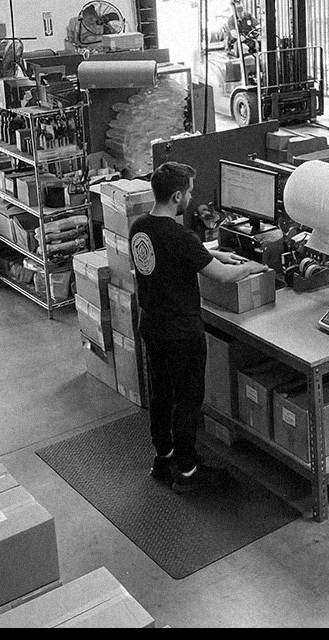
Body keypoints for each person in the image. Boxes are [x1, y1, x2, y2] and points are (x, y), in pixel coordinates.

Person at [127, 161, 268, 492]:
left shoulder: (139, 228)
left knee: (161, 395)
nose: (192, 197)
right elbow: (221, 277)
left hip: (151, 323)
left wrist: (218, 256)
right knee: (188, 400)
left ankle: (164, 459)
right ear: (177, 196)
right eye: (189, 191)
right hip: (181, 332)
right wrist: (249, 267)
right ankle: (188, 472)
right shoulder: (180, 236)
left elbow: (177, 256)